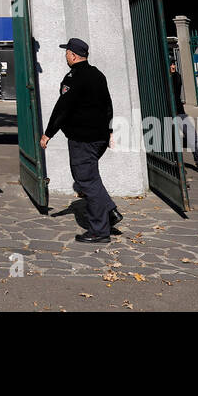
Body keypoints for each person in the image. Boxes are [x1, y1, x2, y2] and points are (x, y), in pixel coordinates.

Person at [42, 37, 120, 243]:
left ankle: (99, 231)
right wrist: (109, 130)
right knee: (91, 177)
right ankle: (110, 212)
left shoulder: (73, 78)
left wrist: (48, 133)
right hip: (100, 137)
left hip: (83, 140)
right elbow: (108, 105)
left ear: (73, 55)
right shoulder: (97, 75)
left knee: (86, 181)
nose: (65, 55)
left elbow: (62, 109)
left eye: (66, 52)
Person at [170, 59, 198, 174]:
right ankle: (176, 165)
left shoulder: (176, 77)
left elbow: (174, 93)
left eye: (174, 64)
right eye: (171, 64)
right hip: (166, 112)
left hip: (179, 112)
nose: (173, 66)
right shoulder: (160, 78)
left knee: (192, 136)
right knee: (172, 140)